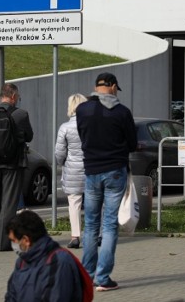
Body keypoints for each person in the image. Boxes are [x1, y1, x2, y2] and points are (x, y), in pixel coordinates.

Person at [76, 72, 137, 292]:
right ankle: (103, 278)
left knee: (91, 224)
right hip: (115, 172)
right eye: (115, 88)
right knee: (110, 224)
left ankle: (87, 276)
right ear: (111, 86)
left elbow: (83, 137)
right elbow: (132, 143)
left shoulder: (82, 110)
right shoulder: (122, 112)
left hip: (91, 171)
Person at [0, 82, 34, 251]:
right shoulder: (21, 114)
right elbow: (29, 136)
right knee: (9, 203)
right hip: (12, 163)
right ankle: (3, 243)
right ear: (12, 96)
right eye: (17, 97)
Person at [5, 210, 84, 302]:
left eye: (14, 240)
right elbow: (11, 295)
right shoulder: (22, 262)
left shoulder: (59, 262)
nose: (13, 245)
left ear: (26, 240)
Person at [55, 93, 88, 249]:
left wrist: (62, 163)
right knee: (96, 202)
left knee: (74, 203)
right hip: (90, 168)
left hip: (73, 170)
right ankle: (98, 234)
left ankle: (75, 236)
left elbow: (59, 152)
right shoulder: (91, 125)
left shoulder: (65, 128)